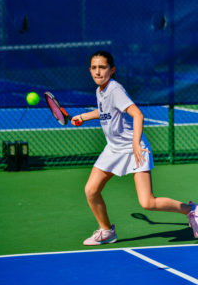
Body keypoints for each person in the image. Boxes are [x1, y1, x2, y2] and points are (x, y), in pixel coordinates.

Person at [71, 50, 198, 245]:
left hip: (134, 149)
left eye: (102, 67)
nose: (98, 72)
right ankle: (106, 232)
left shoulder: (115, 90)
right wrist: (84, 116)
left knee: (148, 202)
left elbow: (137, 115)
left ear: (112, 70)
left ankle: (192, 210)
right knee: (91, 190)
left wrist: (136, 144)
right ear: (89, 70)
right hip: (113, 149)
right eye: (94, 68)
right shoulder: (101, 91)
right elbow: (105, 111)